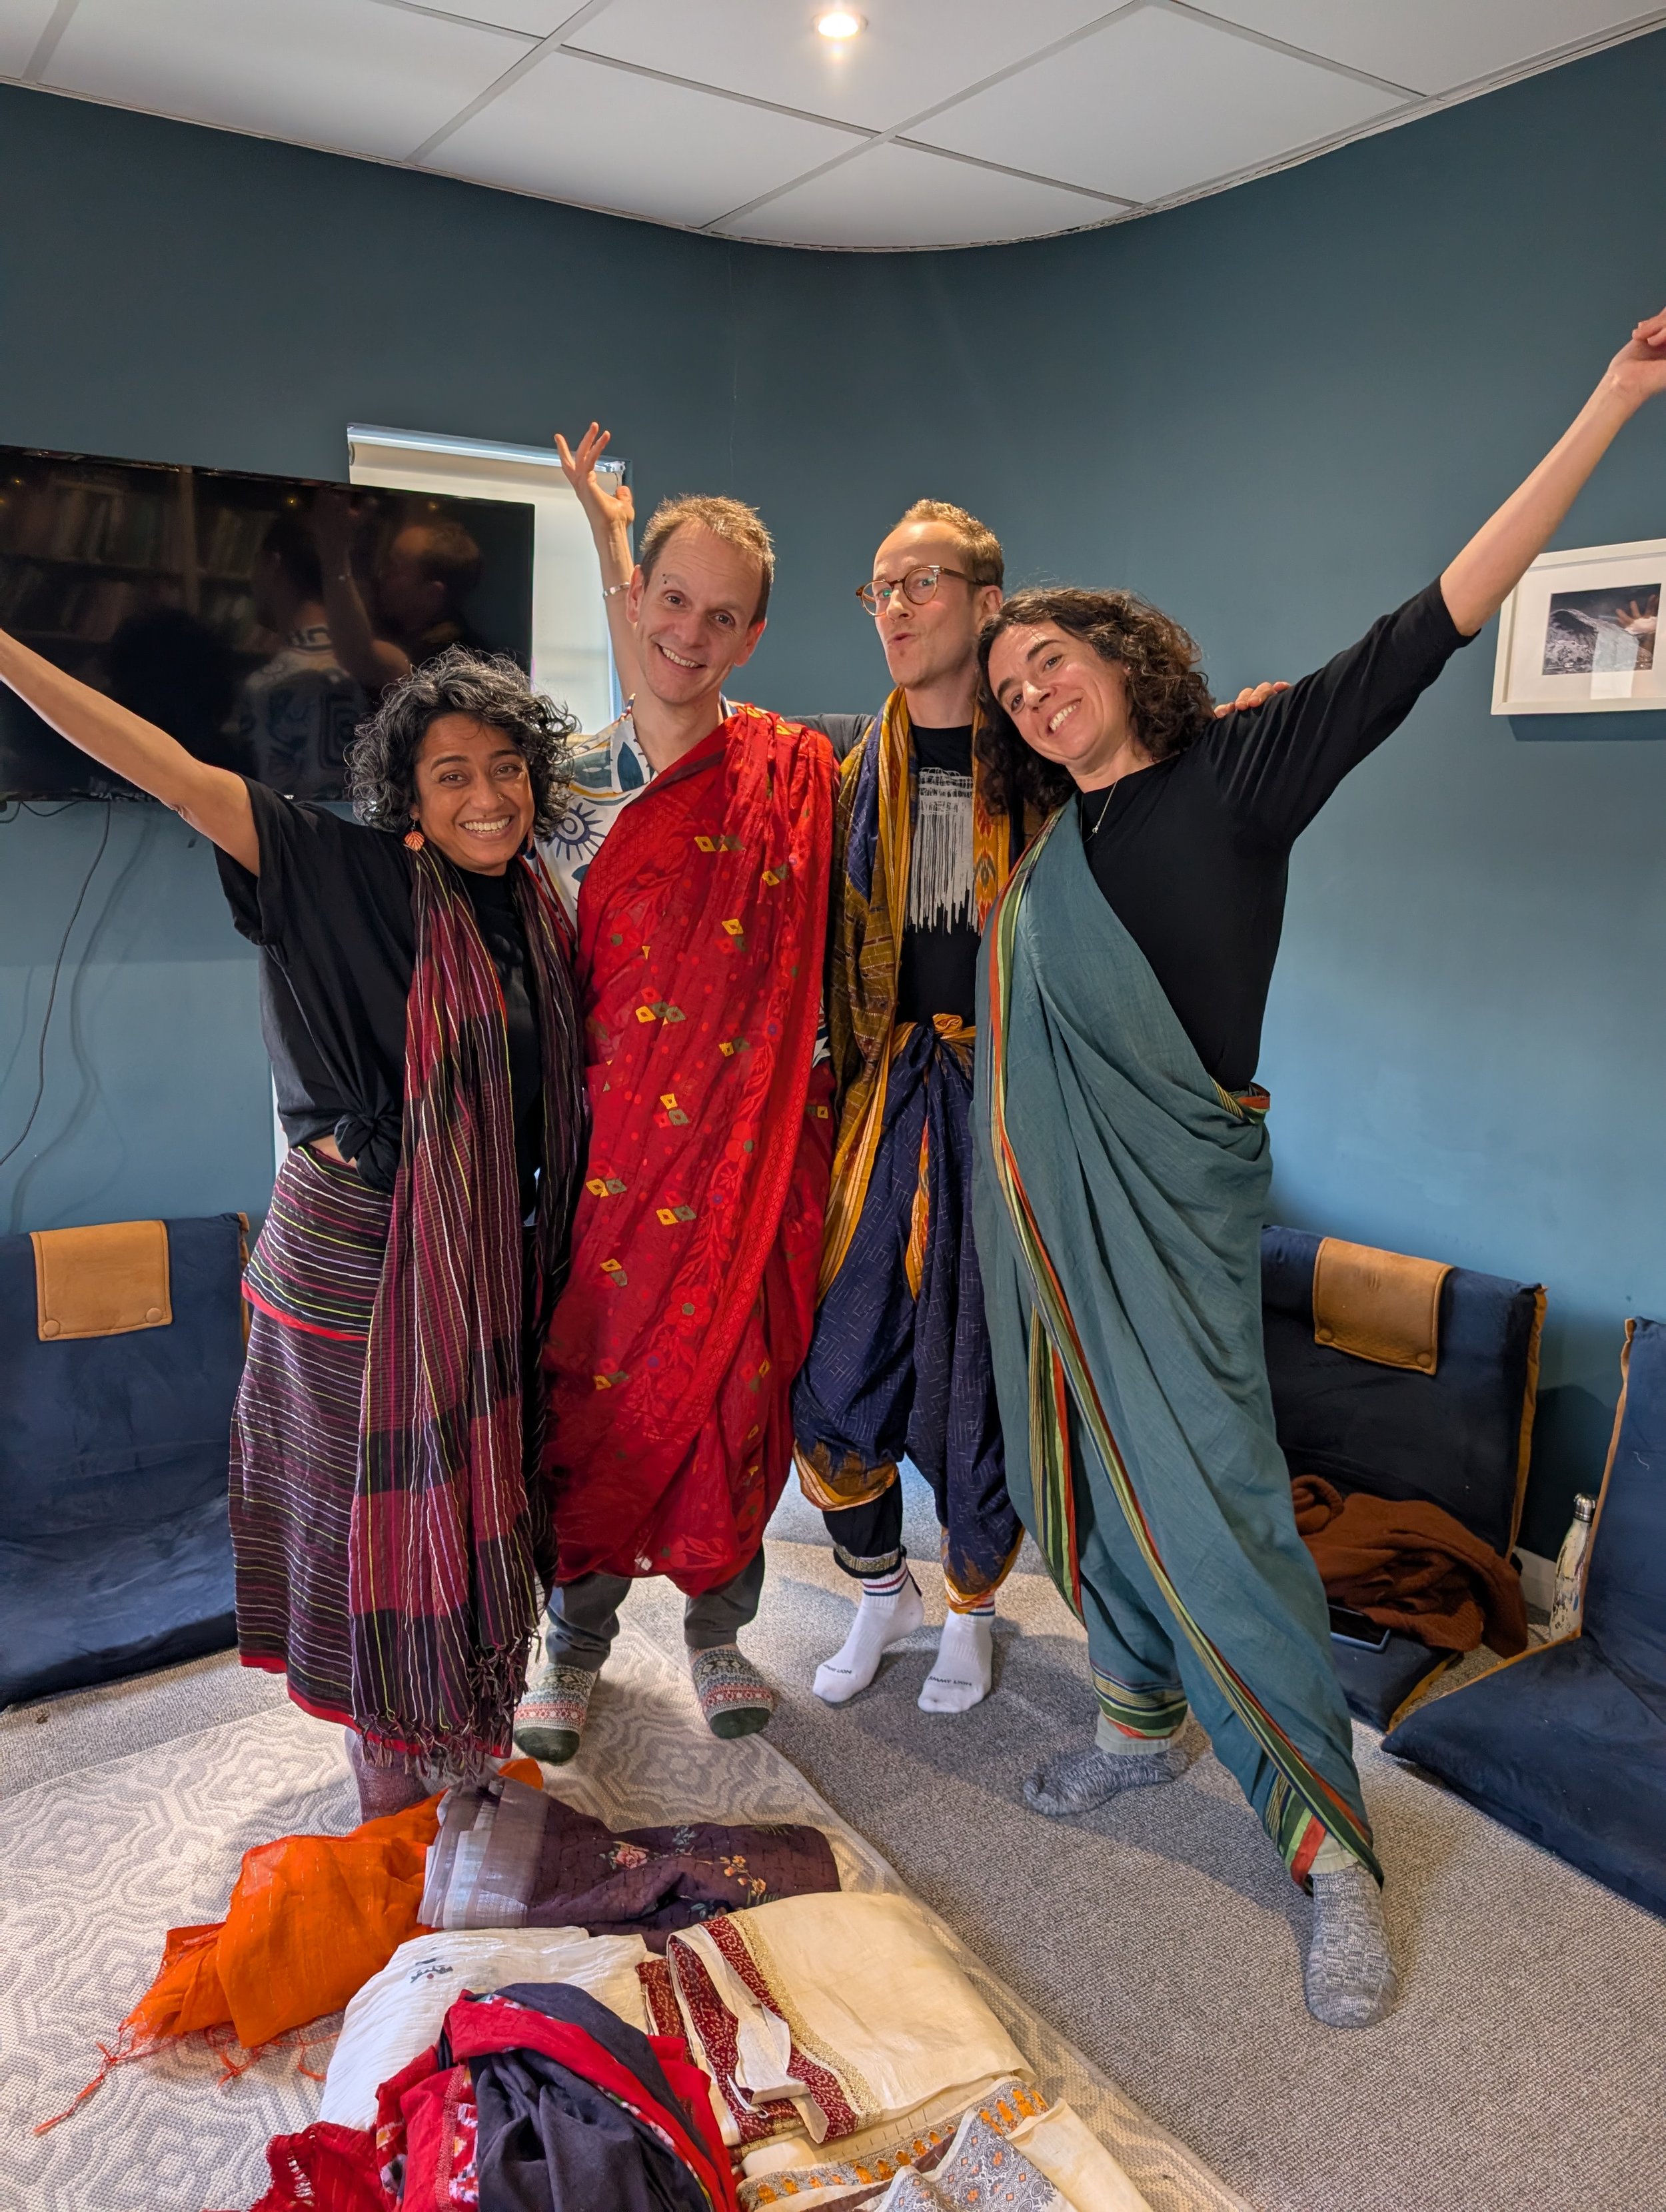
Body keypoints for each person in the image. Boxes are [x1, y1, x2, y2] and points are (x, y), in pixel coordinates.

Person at [970, 305, 1666, 2029]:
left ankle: (1324, 1843)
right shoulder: (1060, 838)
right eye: (1010, 690)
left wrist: (1613, 398)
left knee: (1217, 1506)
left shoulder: (1242, 770)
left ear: (1124, 652)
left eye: (1050, 659)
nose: (1034, 694)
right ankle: (1139, 1723)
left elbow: (1432, 623)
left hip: (1185, 1210)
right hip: (1064, 1224)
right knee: (1095, 1473)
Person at [0, 627, 587, 1822]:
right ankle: (386, 1764)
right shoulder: (342, 872)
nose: (488, 795)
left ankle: (460, 1728)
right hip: (355, 1273)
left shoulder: (536, 905)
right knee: (367, 1528)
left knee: (471, 1506)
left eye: (507, 766)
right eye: (453, 773)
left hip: (482, 1267)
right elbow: (167, 770)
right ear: (408, 799)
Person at [512, 442, 837, 1762]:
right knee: (590, 1398)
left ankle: (717, 1633)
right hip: (607, 1168)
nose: (688, 633)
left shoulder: (800, 775)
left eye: (720, 615)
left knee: (733, 1397)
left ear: (752, 635)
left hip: (751, 1157)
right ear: (634, 599)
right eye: (670, 601)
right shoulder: (556, 795)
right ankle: (570, 1647)